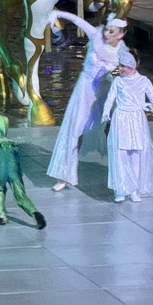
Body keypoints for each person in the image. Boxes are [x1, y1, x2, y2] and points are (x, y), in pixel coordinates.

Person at [46, 11, 127, 191]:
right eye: (107, 30)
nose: (107, 34)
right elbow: (77, 20)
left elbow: (130, 67)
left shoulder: (121, 49)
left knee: (115, 126)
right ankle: (64, 175)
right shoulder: (96, 34)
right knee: (76, 129)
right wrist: (55, 14)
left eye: (112, 32)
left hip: (104, 89)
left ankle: (123, 170)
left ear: (120, 35)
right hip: (85, 90)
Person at [101, 49, 153, 203]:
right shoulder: (118, 81)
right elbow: (110, 99)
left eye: (123, 66)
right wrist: (106, 112)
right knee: (120, 154)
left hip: (137, 120)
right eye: (120, 65)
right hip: (121, 119)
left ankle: (134, 189)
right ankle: (120, 189)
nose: (120, 68)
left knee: (136, 155)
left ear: (131, 66)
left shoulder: (144, 81)